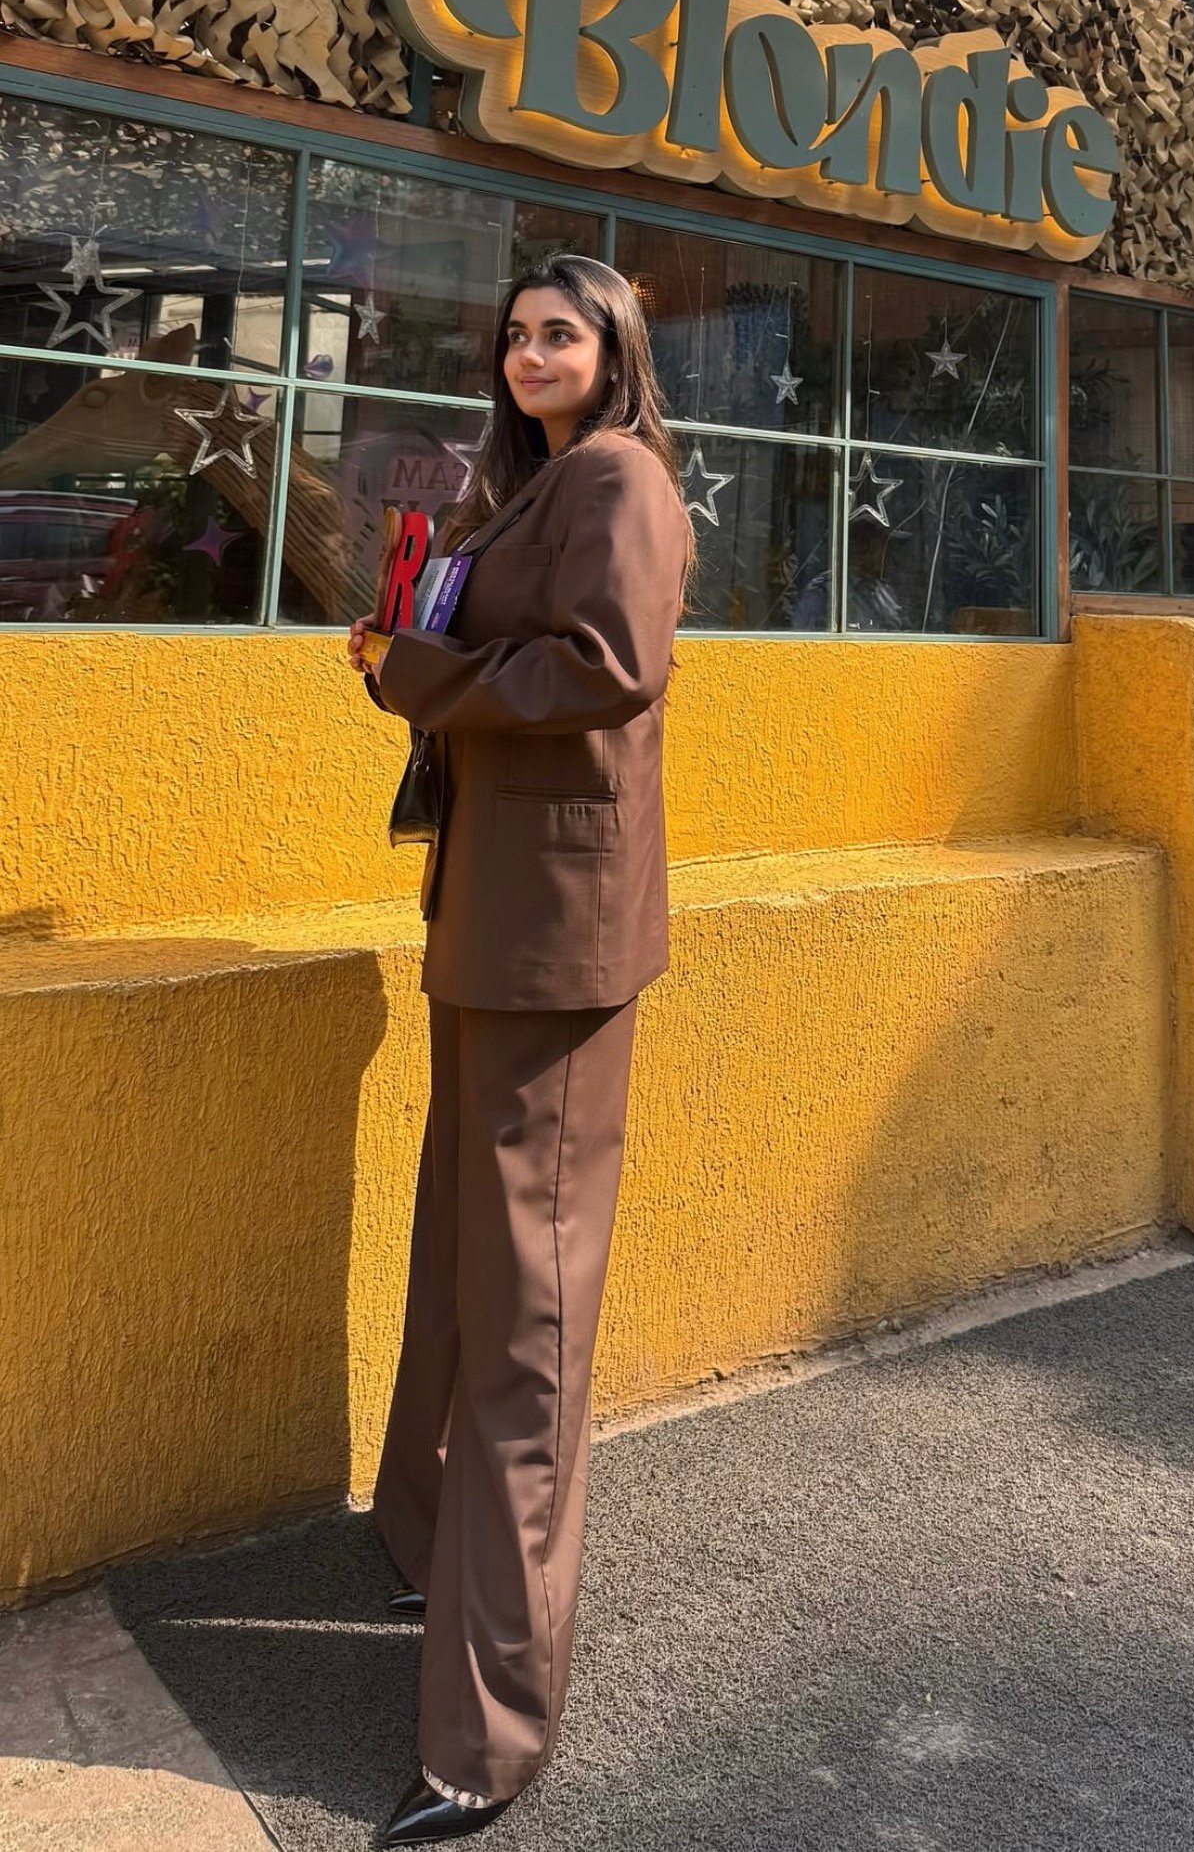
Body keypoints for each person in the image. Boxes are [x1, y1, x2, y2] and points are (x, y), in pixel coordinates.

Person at [345, 253, 696, 1844]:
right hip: (489, 917)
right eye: (514, 335)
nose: (530, 352)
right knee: (459, 1257)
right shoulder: (525, 488)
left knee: (527, 1314)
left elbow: (610, 668)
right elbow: (508, 660)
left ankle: (487, 1735)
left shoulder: (619, 480)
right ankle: (430, 1547)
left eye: (563, 332)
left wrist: (421, 672)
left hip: (553, 943)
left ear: (615, 350)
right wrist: (404, 648)